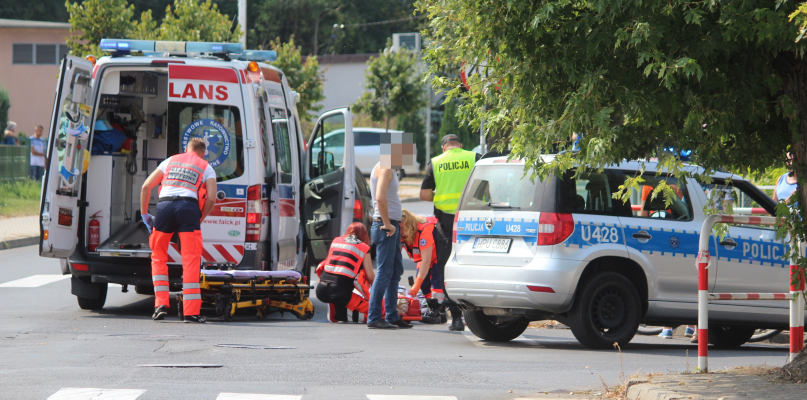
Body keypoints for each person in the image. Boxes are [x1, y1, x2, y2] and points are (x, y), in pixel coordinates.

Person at [140, 138, 217, 323]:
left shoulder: (170, 160)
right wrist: (199, 218)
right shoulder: (206, 166)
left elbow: (146, 187)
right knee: (190, 260)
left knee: (158, 256)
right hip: (188, 209)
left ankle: (160, 305)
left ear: (185, 149)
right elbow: (212, 199)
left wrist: (145, 214)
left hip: (164, 208)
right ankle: (191, 312)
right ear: (203, 152)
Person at [420, 134, 481, 331]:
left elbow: (424, 195)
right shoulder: (474, 157)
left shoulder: (436, 162)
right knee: (475, 264)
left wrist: (442, 197)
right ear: (460, 145)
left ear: (443, 148)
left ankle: (456, 318)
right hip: (473, 219)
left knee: (447, 267)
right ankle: (479, 316)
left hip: (446, 223)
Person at [367, 132, 412, 329]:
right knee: (385, 272)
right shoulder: (385, 168)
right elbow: (379, 198)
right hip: (385, 225)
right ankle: (374, 317)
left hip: (391, 224)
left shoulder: (389, 168)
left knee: (395, 271)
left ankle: (392, 315)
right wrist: (387, 223)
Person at [315, 222, 375, 323]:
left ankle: (336, 309)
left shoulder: (336, 240)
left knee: (342, 296)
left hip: (321, 290)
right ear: (365, 234)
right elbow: (371, 277)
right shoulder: (364, 247)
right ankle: (339, 313)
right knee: (374, 310)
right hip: (340, 293)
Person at [400, 209, 443, 324]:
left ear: (410, 226)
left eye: (403, 228)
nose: (402, 232)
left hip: (438, 253)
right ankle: (434, 308)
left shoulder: (424, 230)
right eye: (400, 228)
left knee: (436, 282)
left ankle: (439, 311)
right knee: (424, 283)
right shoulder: (400, 233)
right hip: (426, 256)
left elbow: (426, 261)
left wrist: (415, 287)